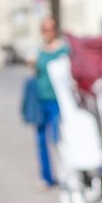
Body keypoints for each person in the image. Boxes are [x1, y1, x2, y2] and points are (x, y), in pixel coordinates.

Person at [32, 15, 69, 188]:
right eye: (44, 29)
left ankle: (65, 172)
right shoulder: (38, 51)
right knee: (41, 141)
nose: (47, 32)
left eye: (50, 29)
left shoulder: (63, 50)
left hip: (58, 100)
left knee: (58, 138)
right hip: (41, 99)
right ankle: (46, 176)